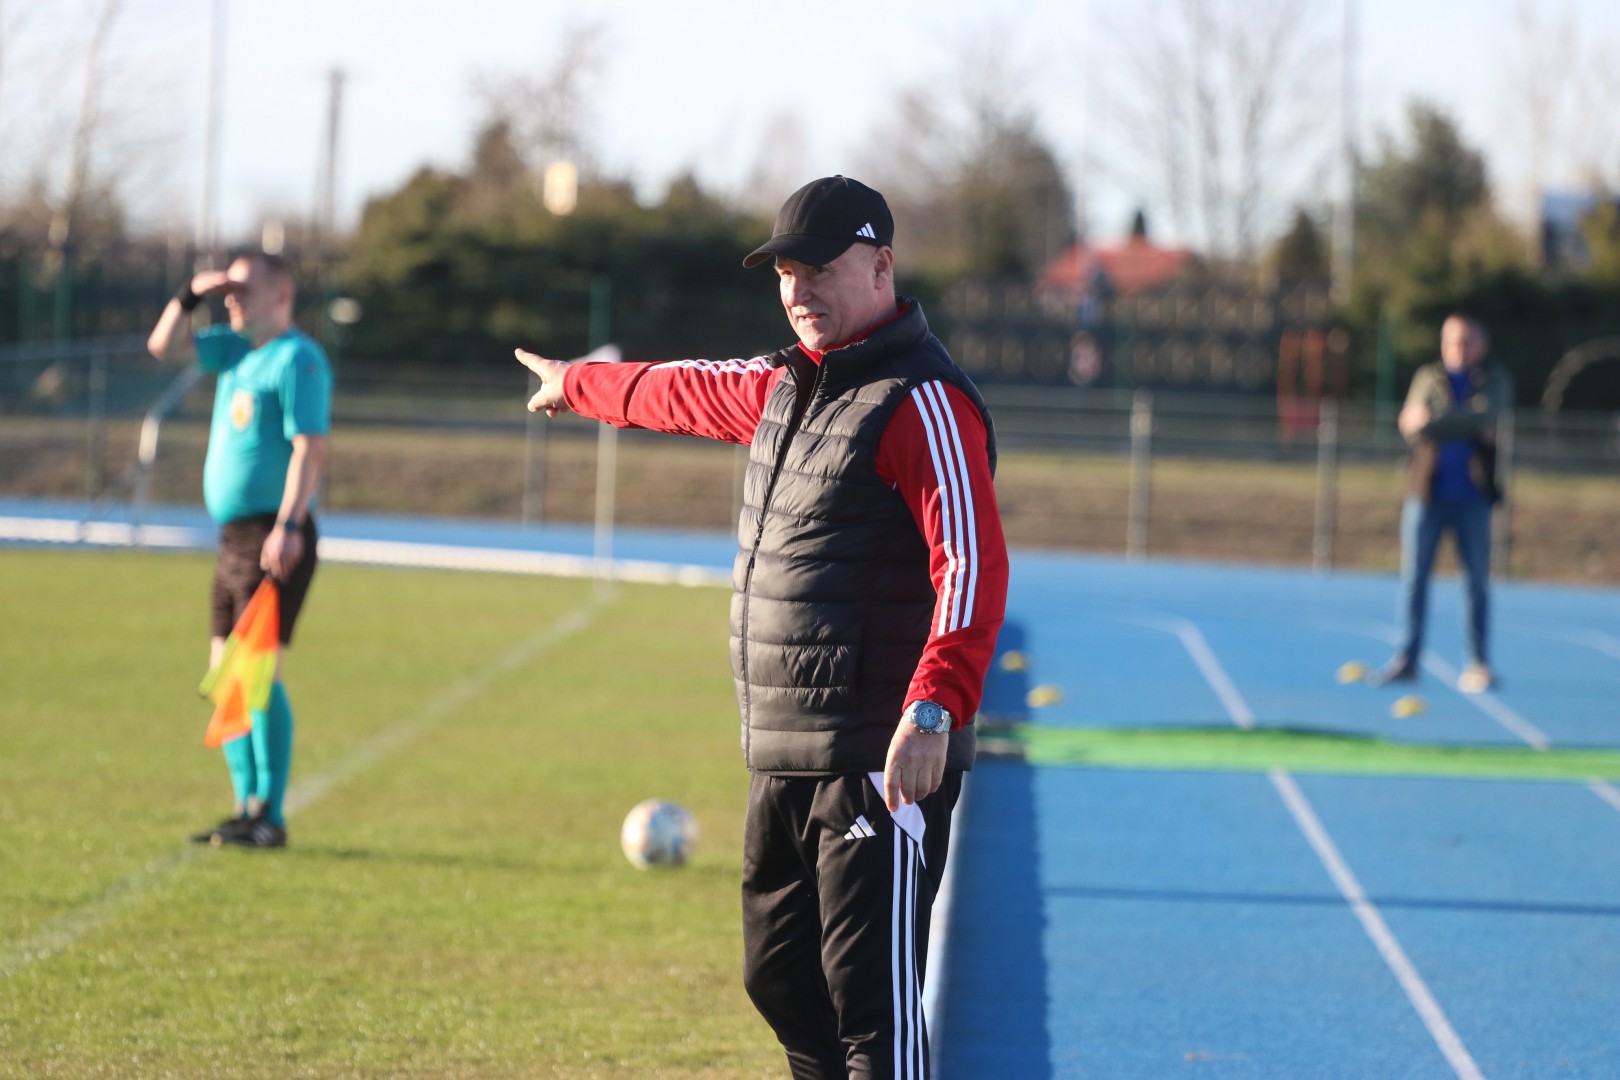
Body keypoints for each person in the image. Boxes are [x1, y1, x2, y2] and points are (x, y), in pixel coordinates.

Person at [518, 175, 1008, 1080]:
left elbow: (971, 569)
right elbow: (683, 390)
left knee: (873, 1009)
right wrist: (580, 383)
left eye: (819, 268)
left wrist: (934, 710)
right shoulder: (785, 384)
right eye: (785, 271)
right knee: (782, 983)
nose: (798, 289)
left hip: (877, 755)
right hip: (782, 749)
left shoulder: (923, 401)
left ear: (882, 265)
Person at [147, 252, 332, 848]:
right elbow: (161, 347)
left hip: (271, 534)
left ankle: (268, 815)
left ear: (281, 297)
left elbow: (310, 448)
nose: (232, 299)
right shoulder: (234, 350)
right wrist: (190, 293)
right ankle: (243, 808)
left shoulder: (297, 358)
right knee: (225, 676)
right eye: (227, 291)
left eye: (243, 289)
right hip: (232, 540)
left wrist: (289, 523)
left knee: (252, 676)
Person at [1371, 313, 1510, 694]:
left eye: (1466, 342)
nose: (1458, 349)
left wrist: (1434, 422)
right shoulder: (1427, 378)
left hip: (1473, 497)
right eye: (1452, 341)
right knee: (1414, 579)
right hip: (1426, 494)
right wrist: (1459, 424)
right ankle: (1407, 658)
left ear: (1481, 346)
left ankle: (1477, 662)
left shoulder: (1493, 380)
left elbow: (1483, 416)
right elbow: (1413, 423)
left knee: (1476, 582)